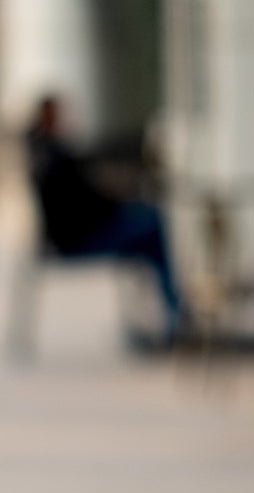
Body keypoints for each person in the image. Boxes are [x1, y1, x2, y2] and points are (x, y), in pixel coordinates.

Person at [22, 92, 186, 340]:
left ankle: (170, 315)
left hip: (71, 234)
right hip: (74, 240)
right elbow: (83, 201)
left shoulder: (42, 151)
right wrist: (116, 203)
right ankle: (174, 317)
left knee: (148, 227)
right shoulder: (53, 158)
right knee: (152, 228)